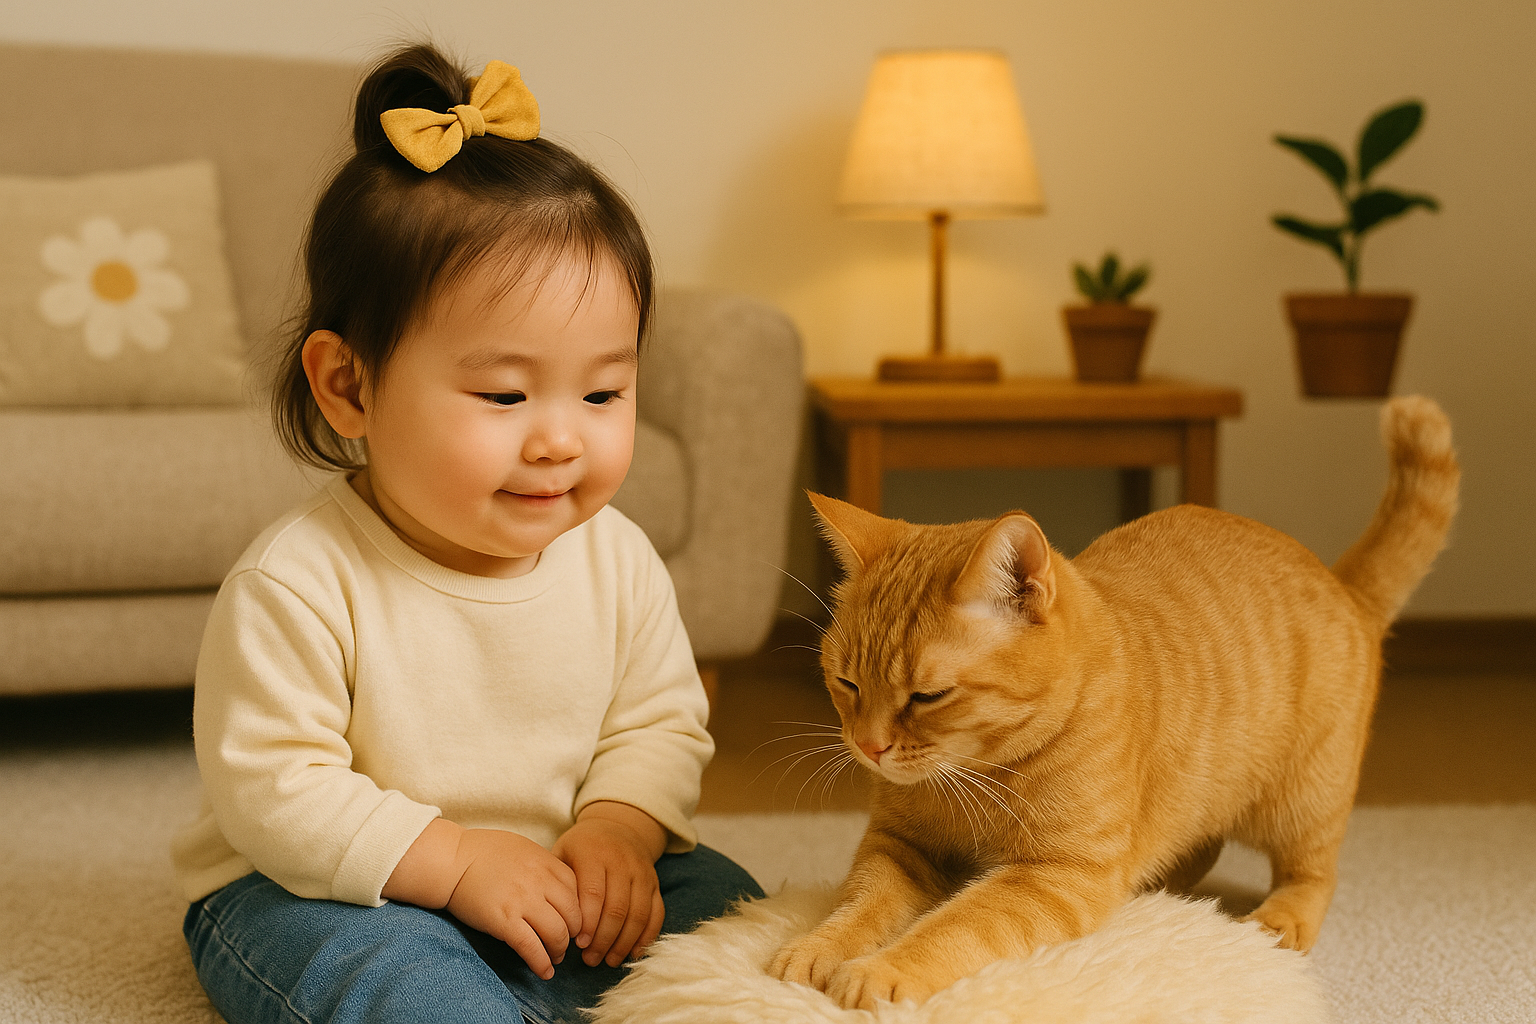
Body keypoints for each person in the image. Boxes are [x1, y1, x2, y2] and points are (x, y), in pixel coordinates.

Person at [170, 43, 763, 1024]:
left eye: (605, 389)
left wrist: (618, 830)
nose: (562, 437)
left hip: (560, 870)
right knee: (390, 979)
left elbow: (656, 722)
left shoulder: (616, 557)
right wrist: (449, 861)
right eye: (503, 393)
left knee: (748, 920)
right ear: (348, 386)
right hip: (337, 884)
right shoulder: (301, 579)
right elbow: (276, 789)